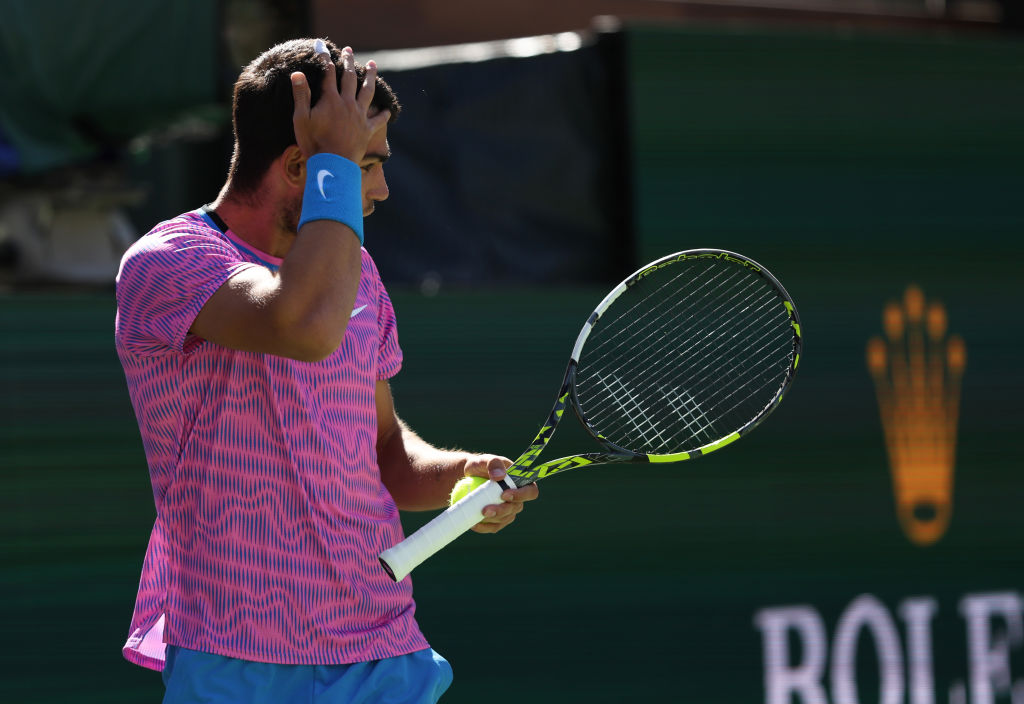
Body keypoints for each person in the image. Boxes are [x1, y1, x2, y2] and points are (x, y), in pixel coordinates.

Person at [114, 37, 538, 703]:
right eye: (366, 163)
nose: (383, 187)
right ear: (298, 168)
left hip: (384, 652)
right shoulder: (165, 262)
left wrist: (459, 471)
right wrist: (334, 162)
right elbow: (302, 326)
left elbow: (386, 452)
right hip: (235, 656)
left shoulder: (357, 273)